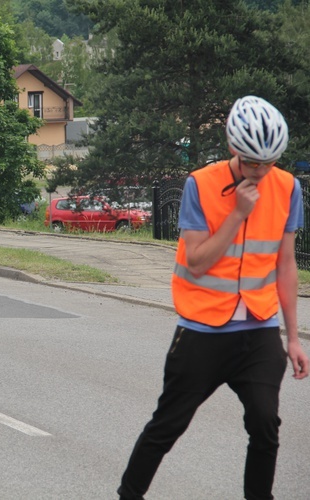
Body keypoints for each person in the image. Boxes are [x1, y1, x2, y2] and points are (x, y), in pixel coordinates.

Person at [117, 95, 309, 500]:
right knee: (167, 426)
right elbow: (199, 261)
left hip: (258, 330)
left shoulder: (287, 187)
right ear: (233, 149)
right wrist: (237, 212)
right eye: (253, 162)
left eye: (269, 162)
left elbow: (286, 264)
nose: (261, 171)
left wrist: (292, 337)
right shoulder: (199, 185)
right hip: (201, 330)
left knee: (264, 423)